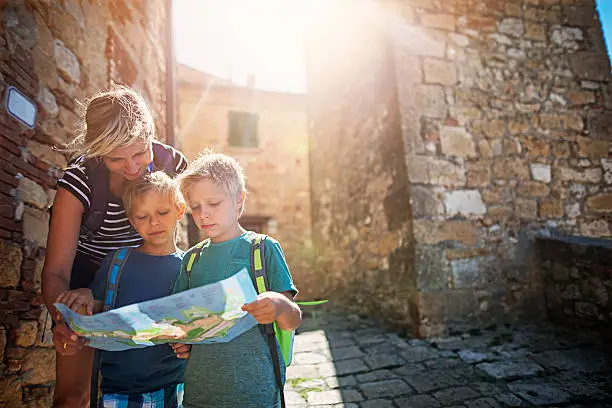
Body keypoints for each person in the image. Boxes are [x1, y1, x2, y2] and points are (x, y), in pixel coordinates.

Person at [41, 85, 187, 408]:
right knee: (73, 396)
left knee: (154, 382)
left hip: (142, 274)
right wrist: (64, 318)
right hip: (86, 282)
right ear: (97, 152)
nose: (133, 167)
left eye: (139, 152)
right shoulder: (80, 180)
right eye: (116, 158)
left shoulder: (170, 165)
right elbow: (55, 271)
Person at [173, 152, 302, 408]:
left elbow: (293, 320)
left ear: (239, 199)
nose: (203, 214)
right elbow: (181, 323)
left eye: (213, 203)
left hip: (256, 394)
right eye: (196, 207)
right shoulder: (190, 260)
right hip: (199, 395)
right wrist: (180, 340)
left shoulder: (263, 249)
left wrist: (278, 305)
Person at [56, 171, 189, 408]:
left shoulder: (191, 266)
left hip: (173, 387)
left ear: (179, 210)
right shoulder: (117, 261)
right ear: (131, 219)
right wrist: (85, 299)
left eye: (163, 212)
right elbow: (97, 303)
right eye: (142, 216)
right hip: (118, 390)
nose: (154, 222)